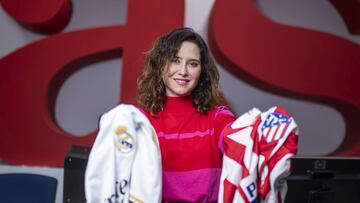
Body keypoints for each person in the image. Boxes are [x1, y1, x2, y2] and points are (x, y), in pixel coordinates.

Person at [137, 27, 236, 202]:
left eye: (192, 64)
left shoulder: (217, 118)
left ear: (202, 72)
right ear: (160, 65)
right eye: (175, 61)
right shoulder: (142, 122)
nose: (183, 71)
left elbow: (240, 140)